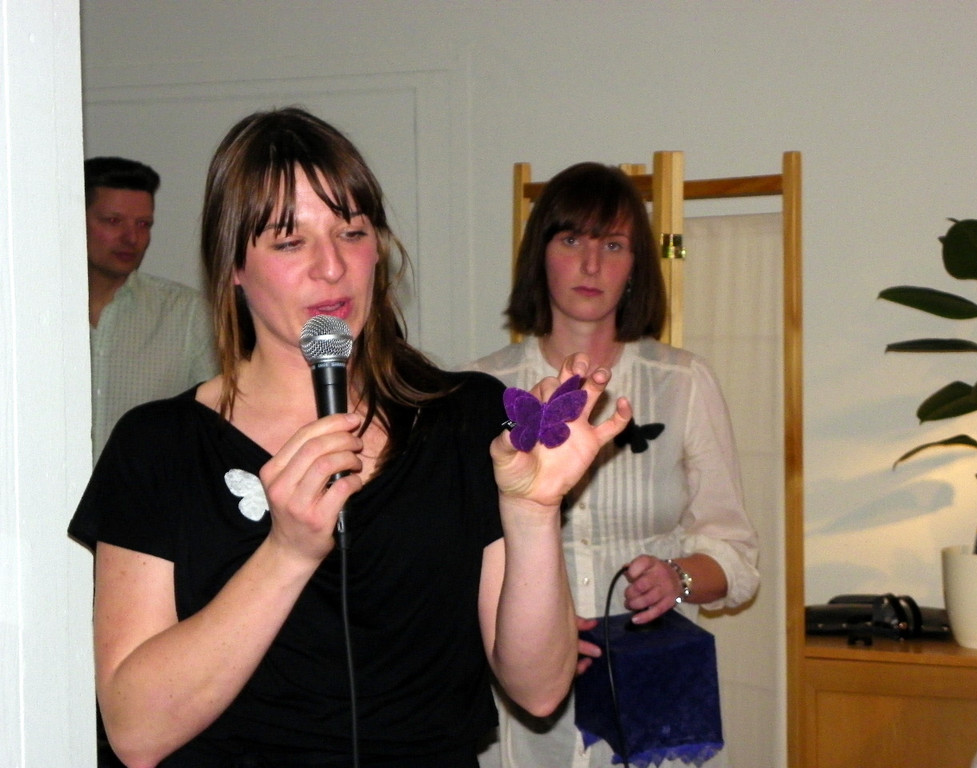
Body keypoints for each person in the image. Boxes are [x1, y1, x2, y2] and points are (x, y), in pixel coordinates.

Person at [68, 108, 631, 768]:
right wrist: (287, 552)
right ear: (233, 265)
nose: (331, 267)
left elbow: (540, 690)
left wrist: (533, 512)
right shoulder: (157, 447)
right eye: (289, 241)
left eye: (352, 232)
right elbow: (135, 731)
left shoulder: (465, 419)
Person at [469, 162, 760, 768]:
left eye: (613, 245)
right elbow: (454, 560)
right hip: (526, 704)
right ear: (539, 254)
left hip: (652, 693)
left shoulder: (683, 382)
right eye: (571, 239)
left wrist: (676, 578)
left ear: (636, 266)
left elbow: (736, 559)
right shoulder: (480, 389)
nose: (591, 264)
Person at [85, 156, 217, 461]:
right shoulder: (28, 314)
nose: (132, 238)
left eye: (143, 224)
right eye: (113, 221)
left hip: (144, 490)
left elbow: (215, 425)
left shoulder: (186, 314)